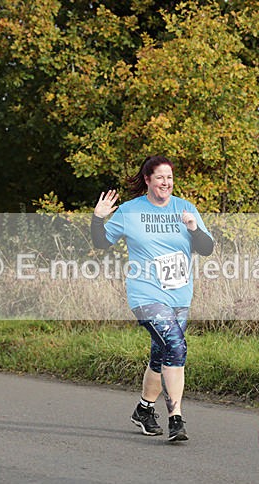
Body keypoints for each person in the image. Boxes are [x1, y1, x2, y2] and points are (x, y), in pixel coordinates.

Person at [92, 156, 214, 442]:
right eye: (160, 177)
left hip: (179, 295)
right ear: (147, 179)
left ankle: (144, 410)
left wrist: (194, 228)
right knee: (176, 347)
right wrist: (98, 218)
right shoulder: (130, 211)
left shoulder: (185, 208)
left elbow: (207, 248)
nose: (166, 183)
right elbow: (101, 242)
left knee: (161, 354)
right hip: (145, 294)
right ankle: (176, 419)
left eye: (169, 178)